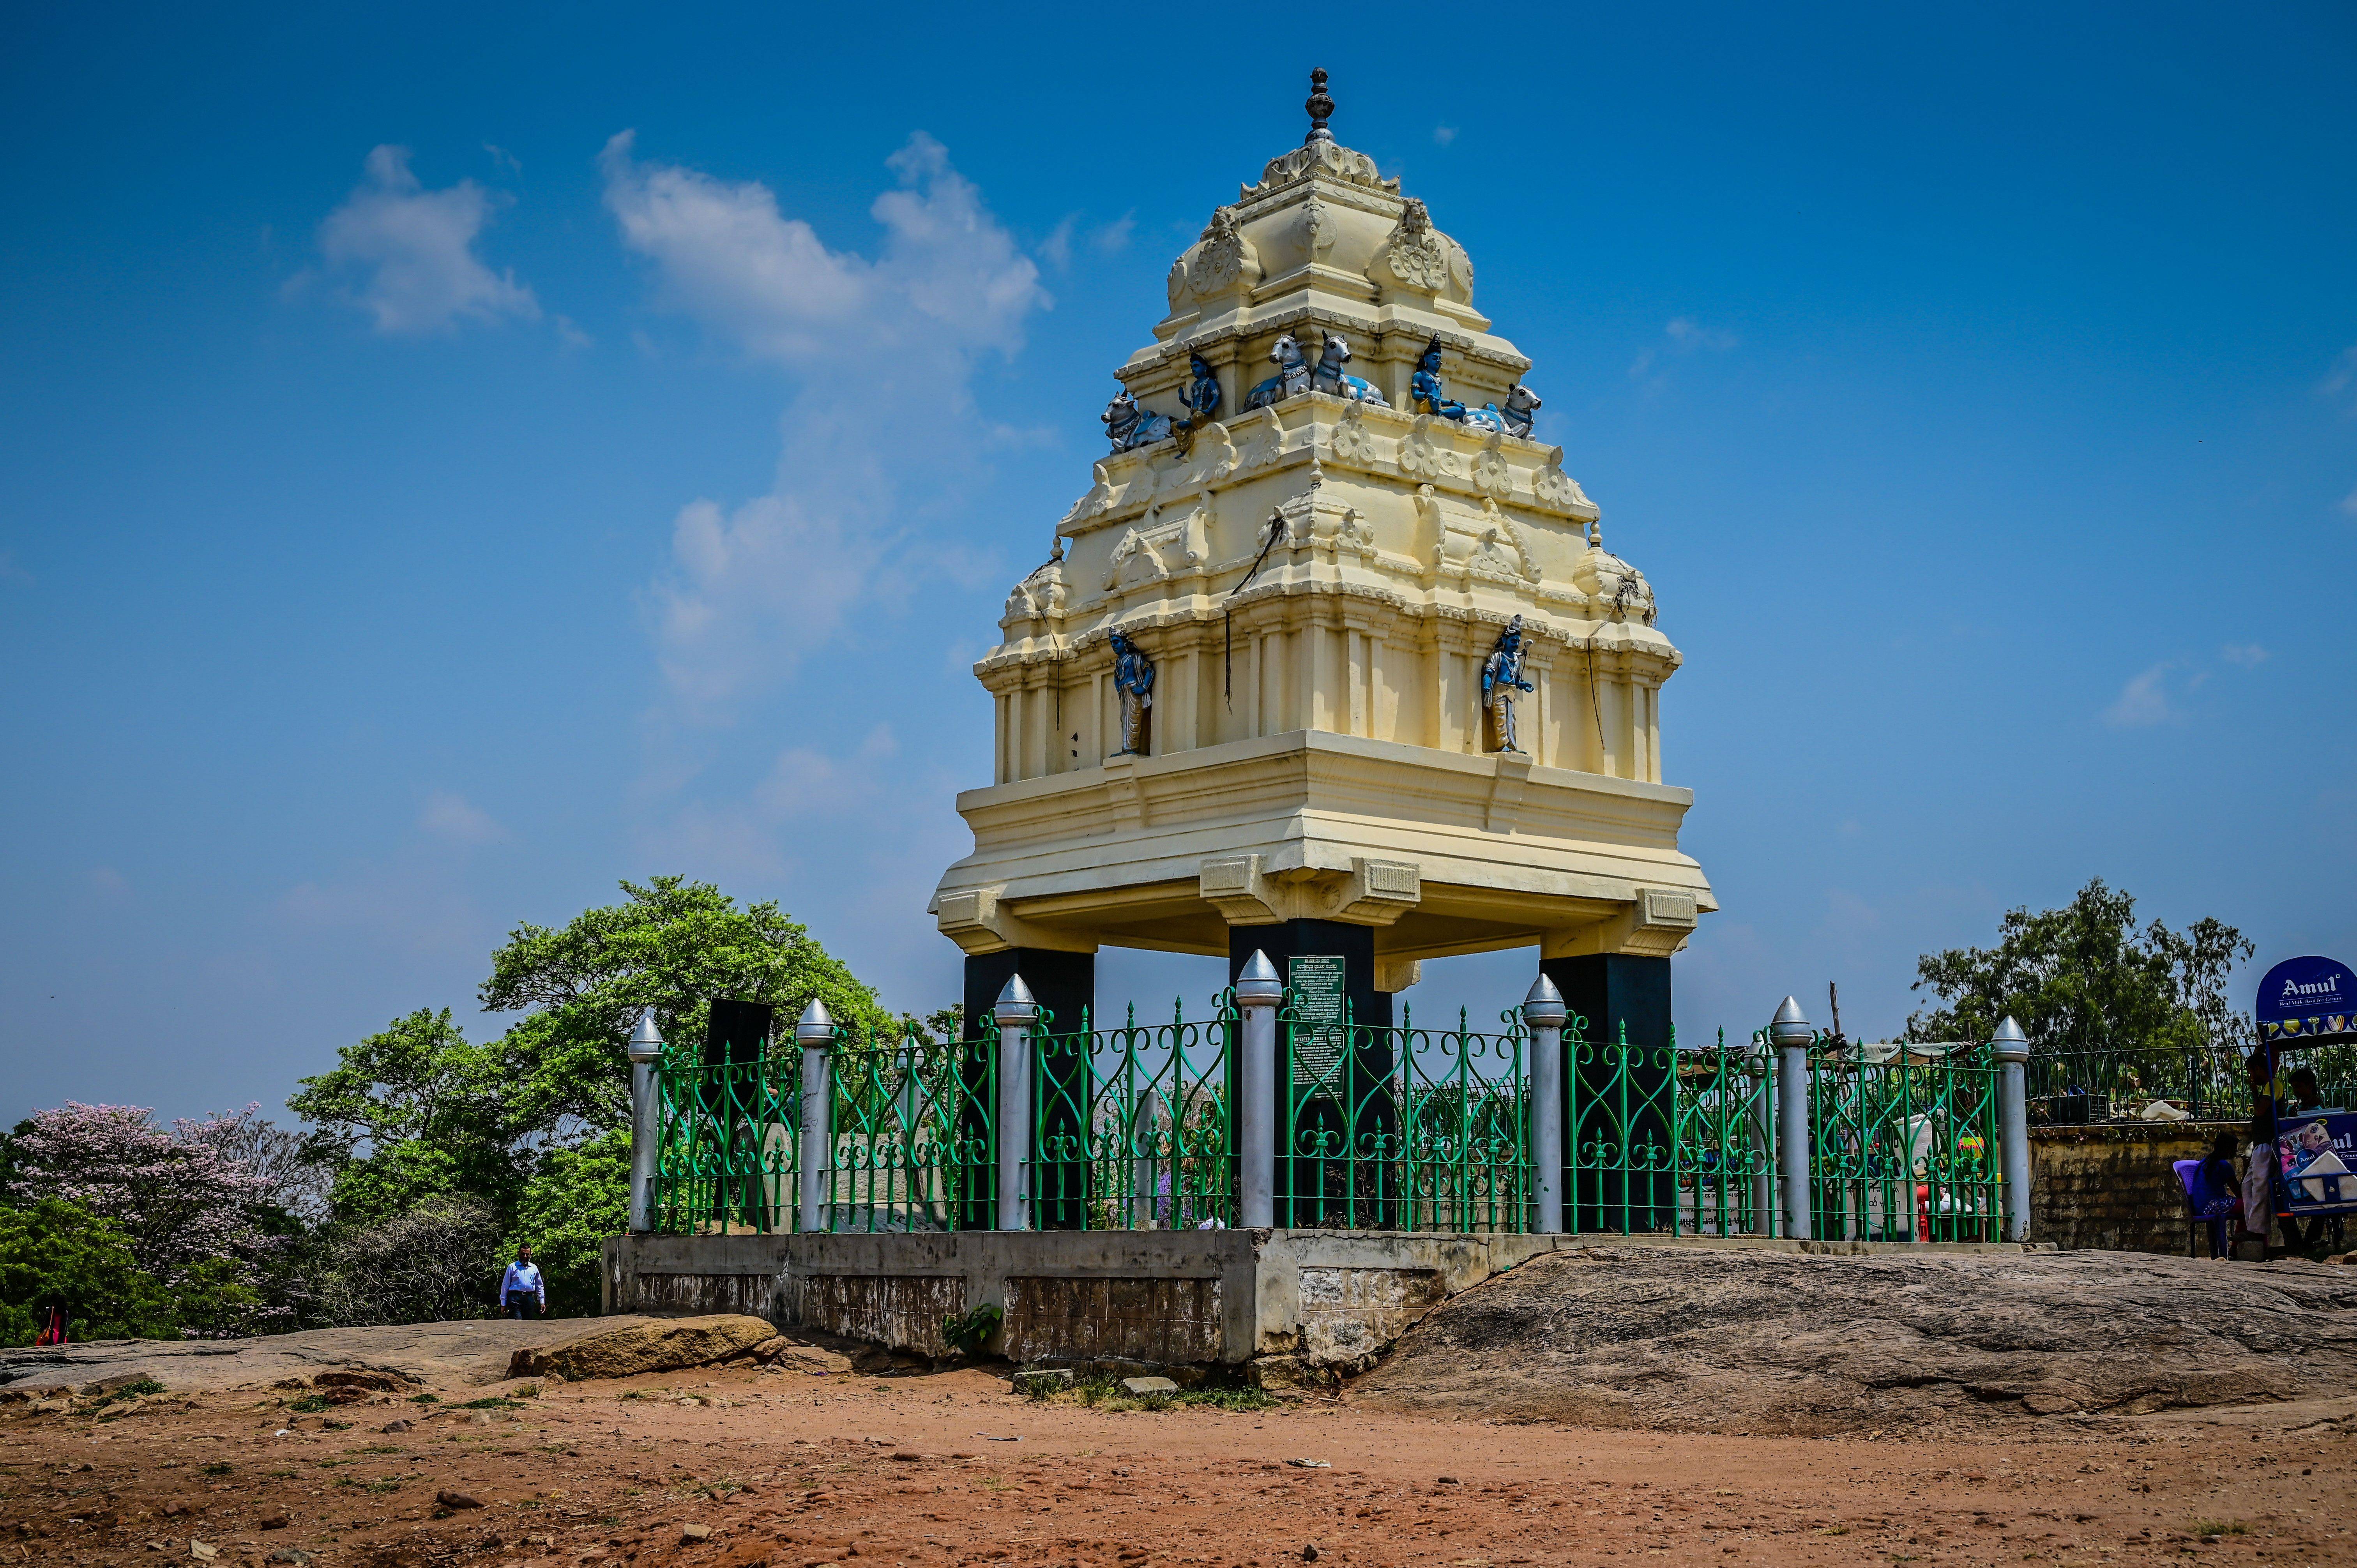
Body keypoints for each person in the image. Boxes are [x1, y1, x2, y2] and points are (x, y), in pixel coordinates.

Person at [500, 1244, 546, 1320]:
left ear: (531, 1254)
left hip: (529, 1298)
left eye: (527, 1254)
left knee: (529, 1323)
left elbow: (539, 1286)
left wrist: (542, 1301)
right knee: (517, 1322)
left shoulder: (534, 1268)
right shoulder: (512, 1267)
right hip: (515, 1298)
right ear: (519, 1253)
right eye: (523, 1254)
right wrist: (503, 1304)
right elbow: (505, 1286)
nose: (525, 1256)